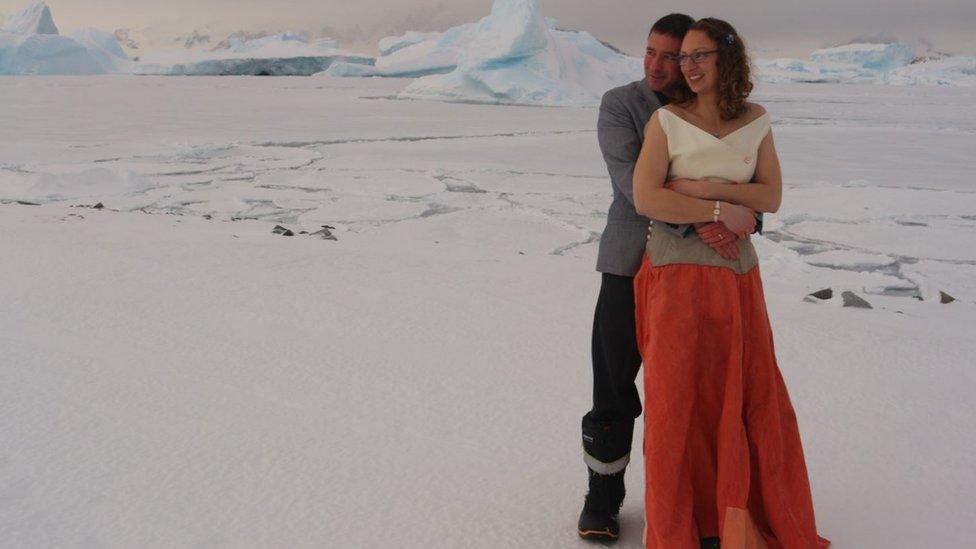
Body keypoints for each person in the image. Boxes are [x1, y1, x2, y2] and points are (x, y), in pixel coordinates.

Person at [631, 17, 830, 548]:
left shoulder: (756, 121)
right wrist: (719, 206)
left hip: (737, 279)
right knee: (677, 403)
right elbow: (648, 197)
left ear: (728, 58)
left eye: (701, 56)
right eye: (684, 57)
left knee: (744, 394)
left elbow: (770, 198)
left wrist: (692, 186)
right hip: (675, 275)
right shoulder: (667, 121)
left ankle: (733, 517)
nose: (689, 67)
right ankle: (681, 528)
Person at [578, 13, 759, 543]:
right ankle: (603, 496)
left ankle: (699, 503)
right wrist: (717, 214)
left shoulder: (720, 113)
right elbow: (638, 188)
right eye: (650, 52)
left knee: (695, 390)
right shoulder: (621, 105)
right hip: (628, 262)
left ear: (693, 60)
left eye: (672, 54)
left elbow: (745, 180)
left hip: (699, 270)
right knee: (613, 383)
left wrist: (737, 212)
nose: (658, 65)